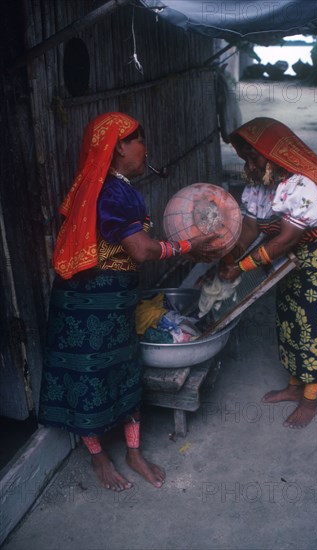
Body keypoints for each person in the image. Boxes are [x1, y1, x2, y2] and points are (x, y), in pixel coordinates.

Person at [38, 112, 220, 491]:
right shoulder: (110, 192)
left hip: (110, 298)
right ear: (120, 145)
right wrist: (188, 246)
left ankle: (133, 452)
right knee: (89, 378)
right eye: (141, 142)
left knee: (124, 371)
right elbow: (140, 250)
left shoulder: (107, 188)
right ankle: (100, 458)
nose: (146, 151)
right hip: (87, 304)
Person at [219, 117, 317, 429]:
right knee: (291, 321)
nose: (249, 164)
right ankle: (294, 388)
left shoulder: (302, 185)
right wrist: (227, 259)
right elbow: (251, 228)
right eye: (245, 158)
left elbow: (284, 239)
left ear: (275, 153)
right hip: (294, 262)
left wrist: (240, 267)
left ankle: (310, 399)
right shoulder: (260, 185)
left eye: (253, 156)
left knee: (316, 329)